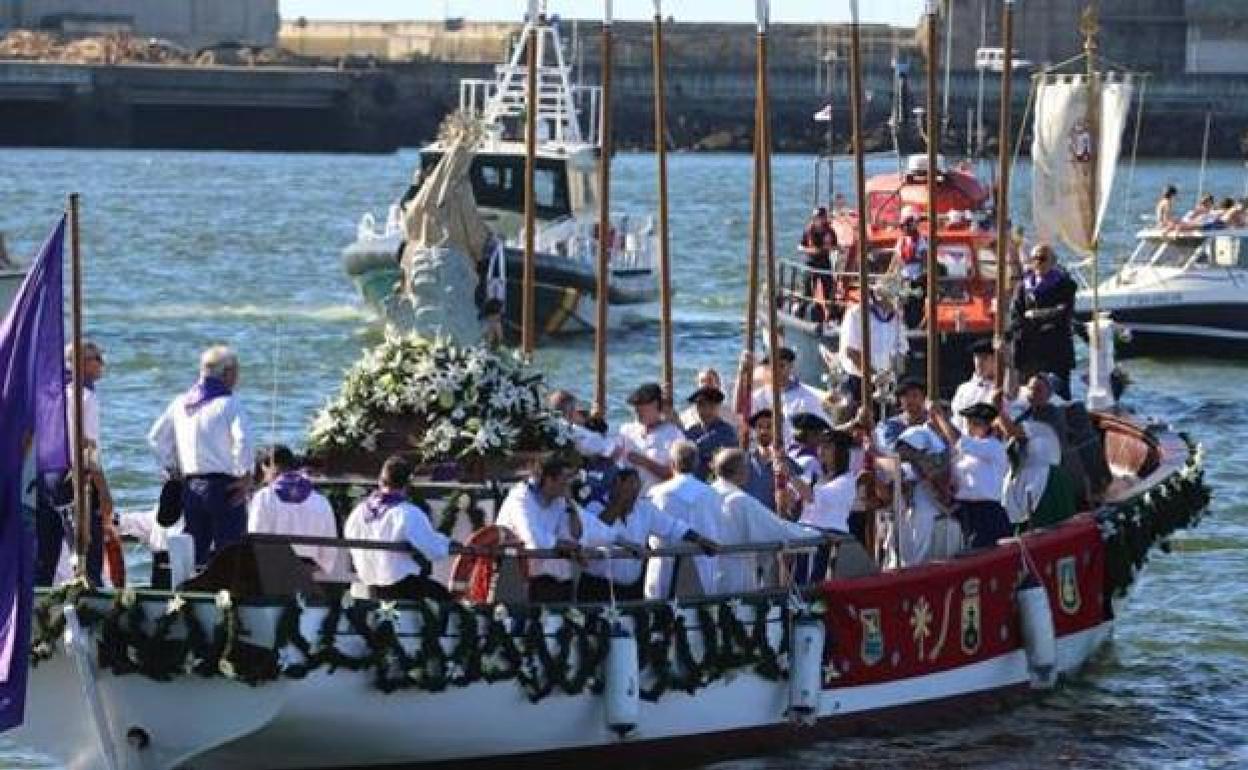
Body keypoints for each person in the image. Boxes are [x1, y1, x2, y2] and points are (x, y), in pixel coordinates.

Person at [148, 344, 253, 567]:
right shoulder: (230, 403)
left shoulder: (180, 403)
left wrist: (173, 468)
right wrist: (245, 475)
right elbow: (242, 440)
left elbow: (156, 438)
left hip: (191, 484)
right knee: (230, 550)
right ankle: (226, 596)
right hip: (224, 486)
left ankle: (189, 596)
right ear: (227, 373)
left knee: (194, 550)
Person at [36, 340, 116, 587]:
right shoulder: (86, 396)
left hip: (45, 475)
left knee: (45, 553)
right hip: (73, 476)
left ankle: (39, 603)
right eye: (97, 359)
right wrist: (103, 491)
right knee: (86, 547)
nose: (102, 364)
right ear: (82, 363)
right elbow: (88, 447)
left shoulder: (51, 393)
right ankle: (91, 604)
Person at [580, 468, 717, 602]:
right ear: (616, 484)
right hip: (598, 587)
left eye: (637, 488)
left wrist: (700, 539)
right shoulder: (594, 506)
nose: (634, 494)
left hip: (631, 589)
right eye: (629, 487)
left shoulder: (644, 508)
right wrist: (619, 503)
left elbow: (673, 526)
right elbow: (597, 530)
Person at [495, 453, 605, 603]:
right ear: (549, 480)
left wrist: (570, 504)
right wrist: (563, 545)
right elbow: (532, 538)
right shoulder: (520, 497)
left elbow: (575, 535)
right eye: (564, 480)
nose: (567, 485)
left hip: (557, 583)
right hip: (518, 581)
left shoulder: (560, 500)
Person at [344, 455, 454, 601]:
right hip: (401, 587)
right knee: (445, 599)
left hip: (369, 586)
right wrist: (449, 545)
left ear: (380, 481)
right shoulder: (406, 512)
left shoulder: (358, 512)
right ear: (407, 485)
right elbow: (432, 549)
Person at [711, 448, 819, 593]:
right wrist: (813, 535)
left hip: (711, 570)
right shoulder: (740, 500)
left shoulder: (708, 493)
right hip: (736, 572)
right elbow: (776, 529)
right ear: (740, 471)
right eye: (746, 466)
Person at [646, 441, 723, 598]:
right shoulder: (711, 494)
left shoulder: (655, 493)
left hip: (664, 563)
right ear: (696, 463)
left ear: (672, 463)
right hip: (702, 563)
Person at [929, 402, 1011, 549]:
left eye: (976, 423)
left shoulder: (993, 447)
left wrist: (940, 418)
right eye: (969, 423)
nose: (971, 427)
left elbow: (959, 441)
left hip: (986, 513)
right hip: (964, 512)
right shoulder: (964, 453)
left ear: (988, 426)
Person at [247, 445, 339, 577]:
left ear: (267, 467)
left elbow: (256, 537)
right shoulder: (321, 501)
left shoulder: (264, 497)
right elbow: (329, 546)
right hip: (307, 570)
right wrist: (321, 567)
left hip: (273, 569)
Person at [1007, 244, 1077, 397]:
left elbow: (1063, 314)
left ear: (1053, 261)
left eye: (1042, 258)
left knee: (1059, 398)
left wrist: (1034, 315)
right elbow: (1016, 318)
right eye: (1034, 259)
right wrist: (1037, 320)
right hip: (1028, 354)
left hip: (1055, 354)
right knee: (1026, 396)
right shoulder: (1022, 287)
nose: (1038, 262)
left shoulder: (1065, 285)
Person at [795, 429, 856, 583]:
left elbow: (812, 497)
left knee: (815, 588)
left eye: (827, 447)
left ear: (840, 452)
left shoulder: (846, 481)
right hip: (806, 539)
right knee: (800, 585)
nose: (821, 451)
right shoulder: (816, 478)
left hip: (827, 540)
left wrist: (790, 474)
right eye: (820, 446)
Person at [892, 425, 952, 567]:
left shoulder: (940, 468)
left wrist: (922, 471)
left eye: (909, 448)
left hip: (931, 517)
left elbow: (943, 491)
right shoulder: (902, 470)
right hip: (907, 517)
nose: (904, 452)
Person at [837, 287, 909, 406]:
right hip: (860, 382)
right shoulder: (856, 313)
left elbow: (902, 349)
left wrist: (892, 374)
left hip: (887, 383)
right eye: (895, 297)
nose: (899, 302)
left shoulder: (896, 317)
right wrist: (874, 376)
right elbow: (851, 351)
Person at [746, 347, 830, 443]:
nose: (777, 371)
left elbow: (824, 428)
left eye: (782, 366)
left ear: (791, 367)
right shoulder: (758, 397)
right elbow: (746, 423)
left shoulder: (806, 398)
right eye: (773, 367)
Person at [619, 382, 685, 493]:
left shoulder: (674, 435)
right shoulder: (626, 430)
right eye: (635, 407)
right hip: (628, 500)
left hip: (658, 500)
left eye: (641, 407)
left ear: (656, 405)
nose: (637, 410)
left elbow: (678, 477)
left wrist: (646, 463)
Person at [742, 408, 802, 515]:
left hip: (774, 525)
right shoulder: (743, 462)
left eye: (769, 427)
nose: (763, 431)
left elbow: (798, 502)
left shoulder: (789, 464)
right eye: (759, 427)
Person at [682, 385, 738, 479]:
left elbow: (694, 448)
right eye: (701, 406)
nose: (706, 411)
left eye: (711, 406)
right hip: (695, 485)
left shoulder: (726, 432)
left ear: (718, 407)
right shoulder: (693, 430)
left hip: (716, 486)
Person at [950, 338, 996, 434]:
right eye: (977, 357)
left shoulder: (1001, 388)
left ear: (995, 360)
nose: (980, 362)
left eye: (985, 357)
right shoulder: (963, 389)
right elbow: (957, 421)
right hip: (966, 443)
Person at [799, 206, 837, 317]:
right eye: (816, 217)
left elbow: (835, 246)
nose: (818, 220)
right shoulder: (808, 230)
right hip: (810, 262)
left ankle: (831, 315)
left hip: (824, 262)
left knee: (829, 290)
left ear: (824, 218)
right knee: (807, 291)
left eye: (820, 217)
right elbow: (800, 246)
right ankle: (801, 313)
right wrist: (809, 250)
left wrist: (829, 248)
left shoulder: (830, 231)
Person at [679, 368, 740, 433]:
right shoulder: (686, 415)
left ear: (718, 385)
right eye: (702, 382)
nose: (705, 385)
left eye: (709, 381)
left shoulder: (729, 414)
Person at [878, 378, 928, 448]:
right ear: (900, 399)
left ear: (923, 398)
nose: (910, 400)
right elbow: (890, 449)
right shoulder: (890, 425)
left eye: (915, 395)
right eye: (906, 396)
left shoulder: (932, 424)